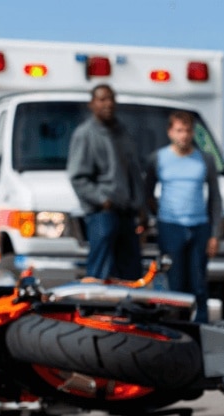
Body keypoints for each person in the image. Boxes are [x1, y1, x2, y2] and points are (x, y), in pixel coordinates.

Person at [144, 111, 222, 323]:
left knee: (198, 283)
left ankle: (201, 328)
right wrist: (157, 215)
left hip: (199, 227)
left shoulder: (204, 159)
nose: (184, 135)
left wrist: (215, 234)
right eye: (179, 130)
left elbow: (215, 197)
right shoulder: (158, 158)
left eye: (188, 130)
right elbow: (147, 193)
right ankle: (176, 327)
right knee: (175, 283)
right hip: (171, 226)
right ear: (170, 132)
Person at [67, 84, 147, 281]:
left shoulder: (123, 133)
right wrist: (102, 200)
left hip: (127, 213)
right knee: (101, 272)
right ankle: (95, 309)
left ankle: (128, 308)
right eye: (102, 100)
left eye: (111, 99)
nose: (108, 104)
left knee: (130, 272)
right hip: (103, 214)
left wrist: (141, 206)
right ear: (92, 104)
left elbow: (134, 173)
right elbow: (77, 177)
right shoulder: (85, 134)